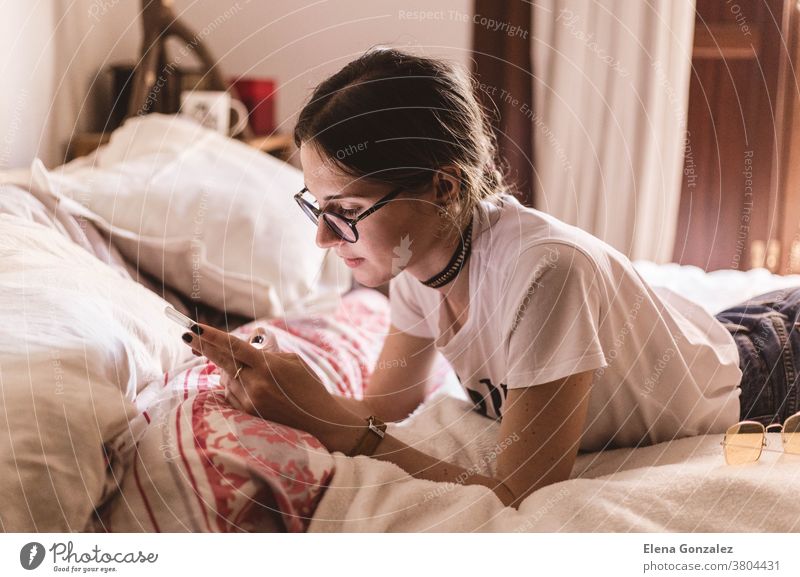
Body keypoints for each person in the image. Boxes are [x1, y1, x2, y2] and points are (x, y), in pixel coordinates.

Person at [181, 47, 798, 510]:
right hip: (719, 329)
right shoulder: (416, 260)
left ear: (444, 186)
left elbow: (520, 488)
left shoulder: (543, 270)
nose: (323, 238)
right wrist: (291, 395)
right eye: (316, 208)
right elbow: (387, 408)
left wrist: (339, 428)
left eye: (345, 213)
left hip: (770, 371)